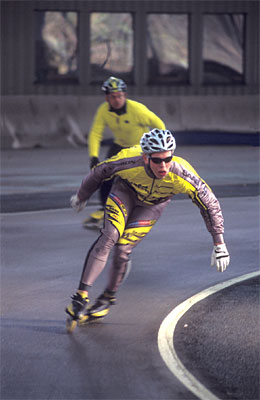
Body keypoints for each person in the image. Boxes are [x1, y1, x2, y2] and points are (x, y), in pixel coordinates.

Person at [66, 129, 230, 328]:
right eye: (157, 160)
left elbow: (209, 203)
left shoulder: (182, 172)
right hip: (125, 192)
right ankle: (81, 295)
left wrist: (219, 242)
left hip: (153, 205)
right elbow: (100, 171)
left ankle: (108, 296)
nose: (163, 166)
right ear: (145, 158)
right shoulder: (128, 159)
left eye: (167, 159)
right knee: (109, 235)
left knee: (122, 249)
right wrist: (82, 195)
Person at [84, 76, 165, 229]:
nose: (117, 100)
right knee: (104, 174)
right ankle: (105, 211)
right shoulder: (103, 110)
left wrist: (160, 149)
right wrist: (93, 156)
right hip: (120, 146)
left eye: (120, 96)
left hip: (140, 148)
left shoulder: (137, 109)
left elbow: (158, 124)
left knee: (132, 181)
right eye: (113, 97)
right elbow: (95, 133)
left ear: (125, 96)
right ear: (107, 98)